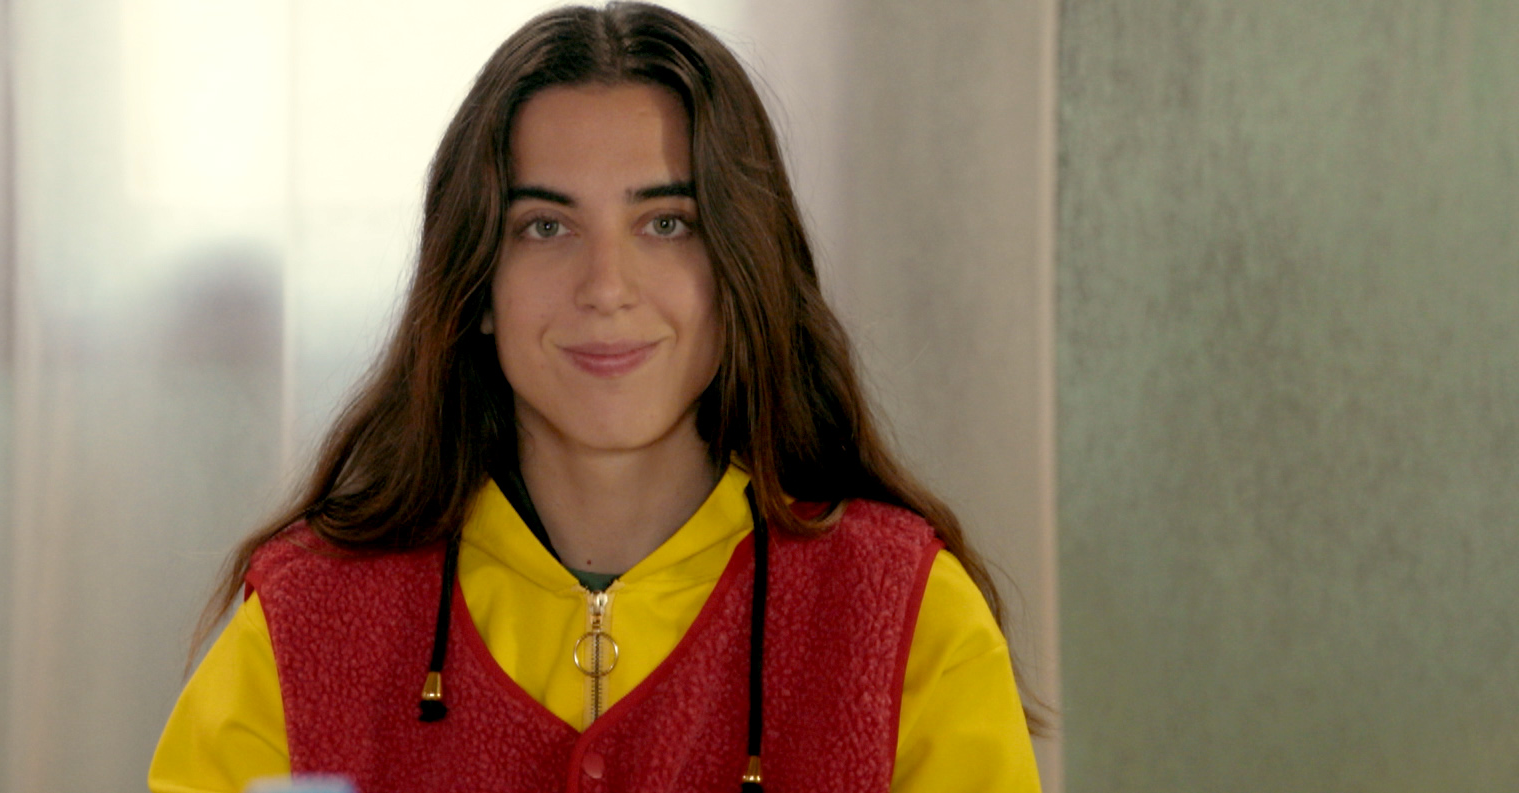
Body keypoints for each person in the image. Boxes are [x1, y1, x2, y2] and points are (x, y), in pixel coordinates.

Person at [150, 3, 1041, 791]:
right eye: (546, 226)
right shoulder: (304, 622)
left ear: (744, 269)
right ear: (477, 286)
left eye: (667, 223)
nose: (606, 286)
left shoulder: (909, 615)